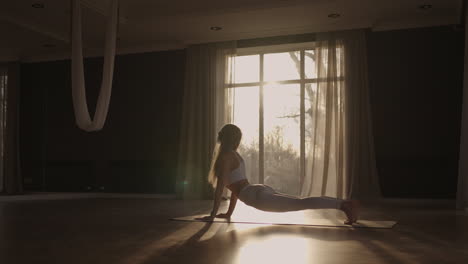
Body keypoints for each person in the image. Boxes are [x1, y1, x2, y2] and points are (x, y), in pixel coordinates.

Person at [201, 124, 359, 224]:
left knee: (300, 204)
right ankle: (344, 203)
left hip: (256, 196)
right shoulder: (235, 155)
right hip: (257, 190)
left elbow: (221, 187)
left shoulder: (225, 157)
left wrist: (212, 215)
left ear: (222, 138)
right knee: (301, 202)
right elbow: (235, 189)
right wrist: (228, 213)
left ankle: (343, 205)